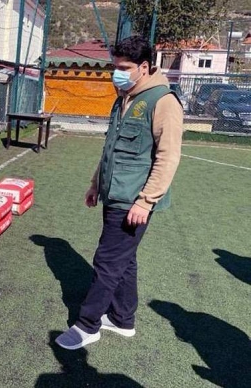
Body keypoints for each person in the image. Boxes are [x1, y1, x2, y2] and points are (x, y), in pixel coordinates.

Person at [55, 36, 183, 350]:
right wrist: (95, 184)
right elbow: (110, 147)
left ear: (144, 66)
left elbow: (168, 157)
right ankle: (123, 319)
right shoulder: (123, 97)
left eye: (124, 68)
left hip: (134, 199)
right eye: (115, 67)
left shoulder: (163, 102)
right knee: (124, 261)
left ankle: (88, 325)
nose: (118, 73)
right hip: (113, 193)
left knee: (107, 261)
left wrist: (145, 200)